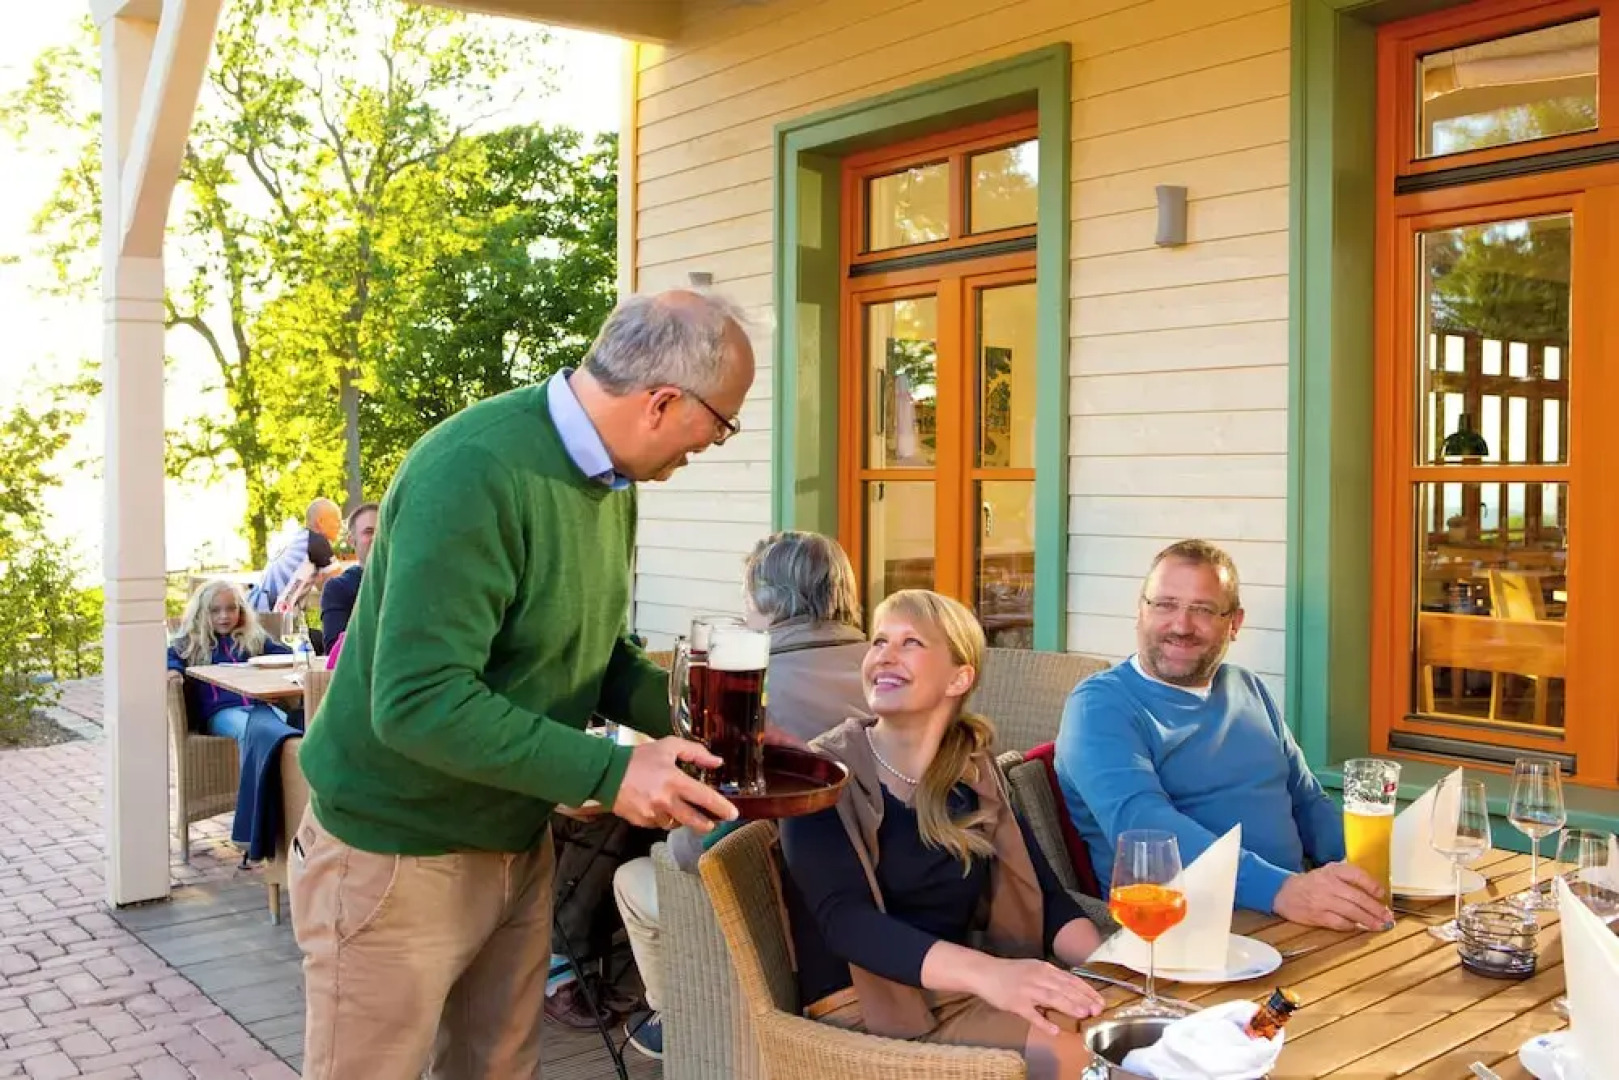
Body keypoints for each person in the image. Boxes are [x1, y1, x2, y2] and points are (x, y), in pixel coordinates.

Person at [288, 289, 755, 1080]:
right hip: (393, 851)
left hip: (513, 838)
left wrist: (706, 726)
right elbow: (418, 701)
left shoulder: (612, 484)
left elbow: (595, 655)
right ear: (663, 401)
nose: (713, 444)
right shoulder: (473, 469)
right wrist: (610, 773)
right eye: (720, 423)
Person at [780, 590, 1107, 1080]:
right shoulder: (822, 775)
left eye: (910, 642)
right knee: (1087, 1055)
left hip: (961, 993)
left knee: (1130, 1027)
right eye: (878, 641)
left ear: (960, 677)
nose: (884, 656)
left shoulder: (971, 775)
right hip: (867, 1009)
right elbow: (845, 922)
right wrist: (993, 976)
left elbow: (1046, 897)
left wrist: (1115, 970)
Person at [612, 530, 872, 1058]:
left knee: (635, 876)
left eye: (747, 593)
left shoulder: (747, 690)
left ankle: (679, 1019)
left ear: (767, 601)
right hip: (878, 898)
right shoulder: (887, 666)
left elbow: (695, 850)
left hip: (781, 913)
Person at [1054, 539, 1394, 932]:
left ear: (1234, 623)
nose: (1181, 626)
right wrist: (1282, 890)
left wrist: (1365, 875)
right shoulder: (1100, 705)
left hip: (1298, 914)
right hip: (1191, 928)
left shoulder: (1246, 687)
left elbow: (1306, 800)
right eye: (1164, 604)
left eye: (1203, 610)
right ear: (1140, 610)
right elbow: (1145, 828)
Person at [166, 580, 293, 740]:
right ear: (201, 613)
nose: (224, 616)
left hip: (260, 707)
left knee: (288, 727)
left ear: (241, 610)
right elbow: (170, 656)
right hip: (220, 711)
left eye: (231, 608)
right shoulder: (190, 642)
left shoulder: (252, 638)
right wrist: (173, 670)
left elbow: (284, 655)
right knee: (258, 732)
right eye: (215, 610)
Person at [248, 498, 341, 613]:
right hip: (270, 617)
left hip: (253, 608)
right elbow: (340, 586)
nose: (340, 525)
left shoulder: (297, 538)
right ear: (320, 521)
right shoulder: (316, 541)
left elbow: (325, 585)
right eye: (337, 520)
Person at [318, 500, 378, 647]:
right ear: (352, 541)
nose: (377, 537)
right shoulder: (339, 588)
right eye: (369, 532)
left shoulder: (409, 582)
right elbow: (335, 649)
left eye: (383, 530)